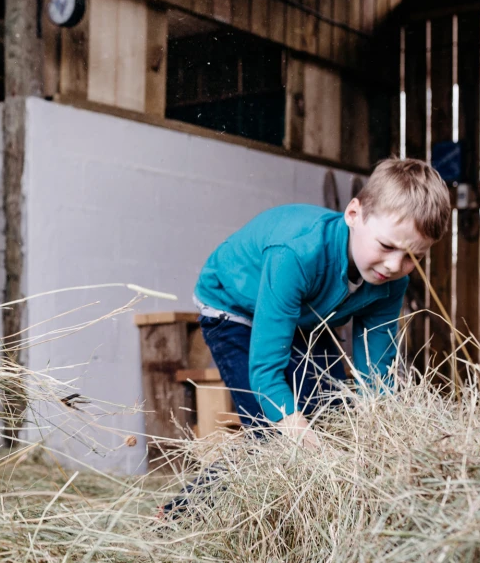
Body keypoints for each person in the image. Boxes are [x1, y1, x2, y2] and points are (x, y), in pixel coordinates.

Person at [193, 158, 450, 447]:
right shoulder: (297, 254)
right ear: (353, 213)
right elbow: (265, 373)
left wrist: (383, 438)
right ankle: (195, 495)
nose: (393, 265)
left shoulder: (391, 282)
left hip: (303, 315)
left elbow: (377, 375)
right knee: (272, 441)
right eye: (387, 246)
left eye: (411, 257)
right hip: (234, 306)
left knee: (332, 417)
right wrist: (295, 429)